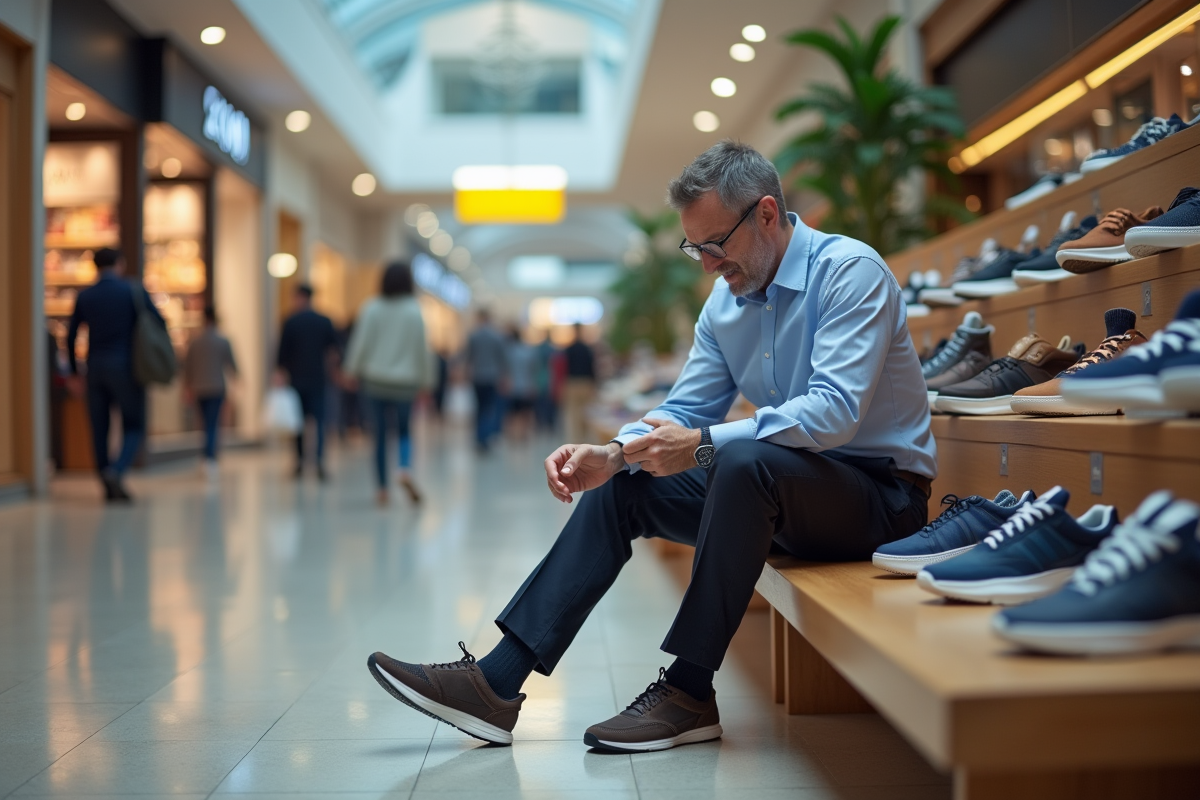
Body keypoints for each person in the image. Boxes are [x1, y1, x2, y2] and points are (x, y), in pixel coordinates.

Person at [367, 141, 936, 753]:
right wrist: (615, 451)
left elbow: (834, 413)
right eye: (695, 247)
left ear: (767, 214)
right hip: (781, 491)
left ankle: (689, 691)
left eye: (715, 243)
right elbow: (687, 409)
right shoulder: (726, 302)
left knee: (739, 458)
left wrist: (705, 444)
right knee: (628, 485)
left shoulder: (849, 272)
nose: (706, 263)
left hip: (881, 502)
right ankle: (498, 682)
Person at [66, 247, 165, 502]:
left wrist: (76, 373)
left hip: (95, 369)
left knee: (99, 428)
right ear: (120, 263)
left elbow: (71, 335)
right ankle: (117, 470)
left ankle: (105, 480)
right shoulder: (132, 291)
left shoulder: (86, 296)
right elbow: (159, 323)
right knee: (135, 424)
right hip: (127, 369)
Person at [343, 262, 433, 505]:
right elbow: (422, 350)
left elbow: (361, 343)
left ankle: (382, 489)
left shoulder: (372, 308)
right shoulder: (414, 311)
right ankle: (404, 467)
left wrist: (351, 371)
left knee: (379, 436)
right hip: (406, 383)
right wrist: (427, 382)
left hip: (374, 381)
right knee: (404, 430)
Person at [276, 284, 338, 480]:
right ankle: (319, 460)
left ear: (299, 297)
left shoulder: (291, 321)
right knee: (319, 421)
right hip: (318, 379)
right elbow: (334, 351)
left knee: (298, 423)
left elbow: (282, 352)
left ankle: (300, 461)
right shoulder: (324, 321)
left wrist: (279, 373)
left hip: (297, 380)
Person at [183, 307, 238, 480]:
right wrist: (238, 381)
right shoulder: (222, 341)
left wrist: (187, 388)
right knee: (213, 423)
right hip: (216, 388)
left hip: (199, 388)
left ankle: (206, 457)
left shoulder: (195, 342)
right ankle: (210, 457)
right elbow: (232, 365)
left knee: (204, 424)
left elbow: (188, 368)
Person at [466, 309, 508, 452]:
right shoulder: (497, 337)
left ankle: (479, 437)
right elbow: (502, 359)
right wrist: (504, 376)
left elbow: (468, 357)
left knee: (479, 407)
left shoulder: (474, 336)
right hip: (492, 376)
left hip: (477, 376)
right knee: (489, 408)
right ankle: (485, 436)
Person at [561, 323, 596, 444]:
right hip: (585, 382)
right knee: (586, 412)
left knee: (574, 413)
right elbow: (592, 367)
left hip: (572, 382)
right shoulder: (587, 348)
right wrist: (593, 383)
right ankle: (585, 438)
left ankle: (576, 440)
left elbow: (564, 368)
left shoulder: (568, 349)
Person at [505, 325, 537, 441]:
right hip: (526, 385)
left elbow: (505, 370)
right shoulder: (527, 351)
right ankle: (524, 434)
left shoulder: (509, 352)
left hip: (513, 387)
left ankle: (513, 434)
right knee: (526, 413)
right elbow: (533, 370)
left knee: (512, 413)